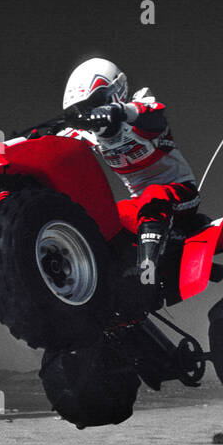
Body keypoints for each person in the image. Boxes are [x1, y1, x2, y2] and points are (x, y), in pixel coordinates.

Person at [33, 58, 200, 294]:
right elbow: (57, 144)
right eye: (84, 109)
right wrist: (33, 139)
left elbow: (153, 116)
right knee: (105, 221)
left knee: (154, 195)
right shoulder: (90, 135)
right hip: (139, 204)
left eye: (96, 102)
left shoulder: (141, 110)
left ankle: (148, 275)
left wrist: (117, 111)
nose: (90, 113)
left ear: (116, 89)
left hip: (180, 192)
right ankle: (107, 285)